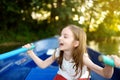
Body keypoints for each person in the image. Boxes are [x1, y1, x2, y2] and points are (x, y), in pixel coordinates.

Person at [23, 25, 114, 80]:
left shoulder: (82, 57)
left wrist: (109, 65)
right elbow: (43, 65)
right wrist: (31, 53)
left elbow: (105, 74)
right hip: (64, 76)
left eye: (65, 36)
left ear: (75, 43)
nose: (59, 38)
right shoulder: (58, 52)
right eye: (61, 35)